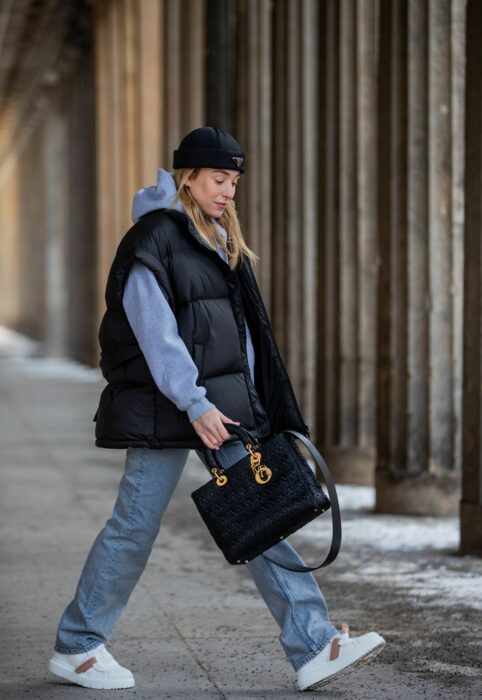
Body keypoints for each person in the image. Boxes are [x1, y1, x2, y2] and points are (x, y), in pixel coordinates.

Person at [48, 127, 385, 692]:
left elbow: (241, 338)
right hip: (173, 404)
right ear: (188, 178)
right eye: (218, 179)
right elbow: (156, 334)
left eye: (234, 181)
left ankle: (312, 642)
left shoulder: (216, 238)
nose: (229, 191)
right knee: (135, 525)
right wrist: (195, 401)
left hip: (219, 407)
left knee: (261, 513)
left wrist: (252, 401)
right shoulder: (154, 237)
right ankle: (78, 645)